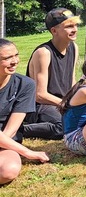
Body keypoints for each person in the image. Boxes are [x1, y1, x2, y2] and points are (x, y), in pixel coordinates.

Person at [23, 8, 81, 139]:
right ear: (54, 31)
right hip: (41, 106)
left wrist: (78, 100)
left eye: (76, 25)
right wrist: (67, 105)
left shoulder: (74, 47)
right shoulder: (44, 53)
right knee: (64, 126)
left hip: (62, 103)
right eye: (69, 26)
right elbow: (39, 95)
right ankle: (19, 130)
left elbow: (71, 80)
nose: (75, 29)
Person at [0, 39, 49, 184]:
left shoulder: (25, 85)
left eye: (16, 55)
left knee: (9, 171)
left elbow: (11, 130)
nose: (15, 61)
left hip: (6, 142)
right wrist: (27, 152)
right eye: (7, 58)